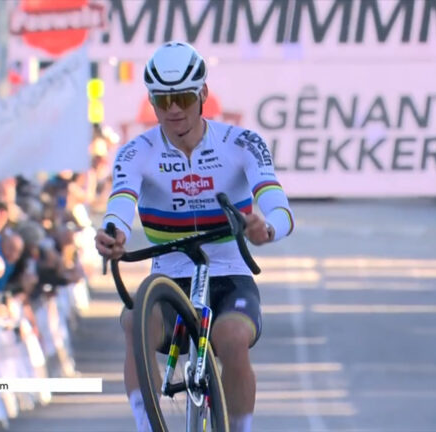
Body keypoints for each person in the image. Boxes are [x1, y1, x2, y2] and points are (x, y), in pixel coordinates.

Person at [95, 41, 294, 432]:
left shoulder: (241, 143)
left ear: (202, 94)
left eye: (183, 98)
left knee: (232, 337)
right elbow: (120, 204)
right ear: (151, 101)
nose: (173, 110)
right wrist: (113, 234)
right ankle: (147, 425)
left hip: (228, 272)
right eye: (162, 99)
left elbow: (279, 206)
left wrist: (265, 228)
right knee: (134, 321)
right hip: (170, 277)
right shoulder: (137, 153)